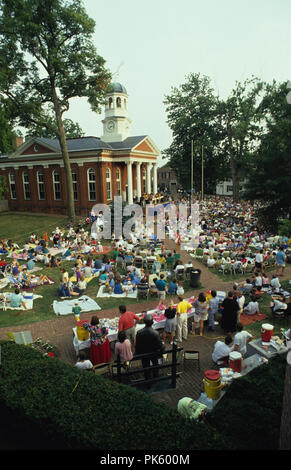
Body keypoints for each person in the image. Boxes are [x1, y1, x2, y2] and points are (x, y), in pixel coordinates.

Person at [135, 314, 165, 382]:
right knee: (155, 365)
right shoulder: (155, 333)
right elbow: (160, 345)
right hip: (154, 352)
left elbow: (137, 345)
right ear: (152, 322)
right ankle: (155, 378)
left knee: (146, 367)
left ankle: (147, 379)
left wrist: (138, 353)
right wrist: (163, 348)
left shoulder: (139, 333)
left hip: (144, 353)